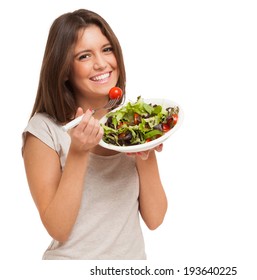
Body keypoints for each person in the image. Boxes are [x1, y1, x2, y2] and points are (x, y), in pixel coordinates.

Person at [22, 9, 167, 260]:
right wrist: (78, 152)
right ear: (64, 69)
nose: (101, 63)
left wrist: (145, 151)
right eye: (84, 56)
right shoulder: (44, 130)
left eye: (107, 49)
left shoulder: (127, 124)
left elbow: (155, 219)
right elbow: (58, 227)